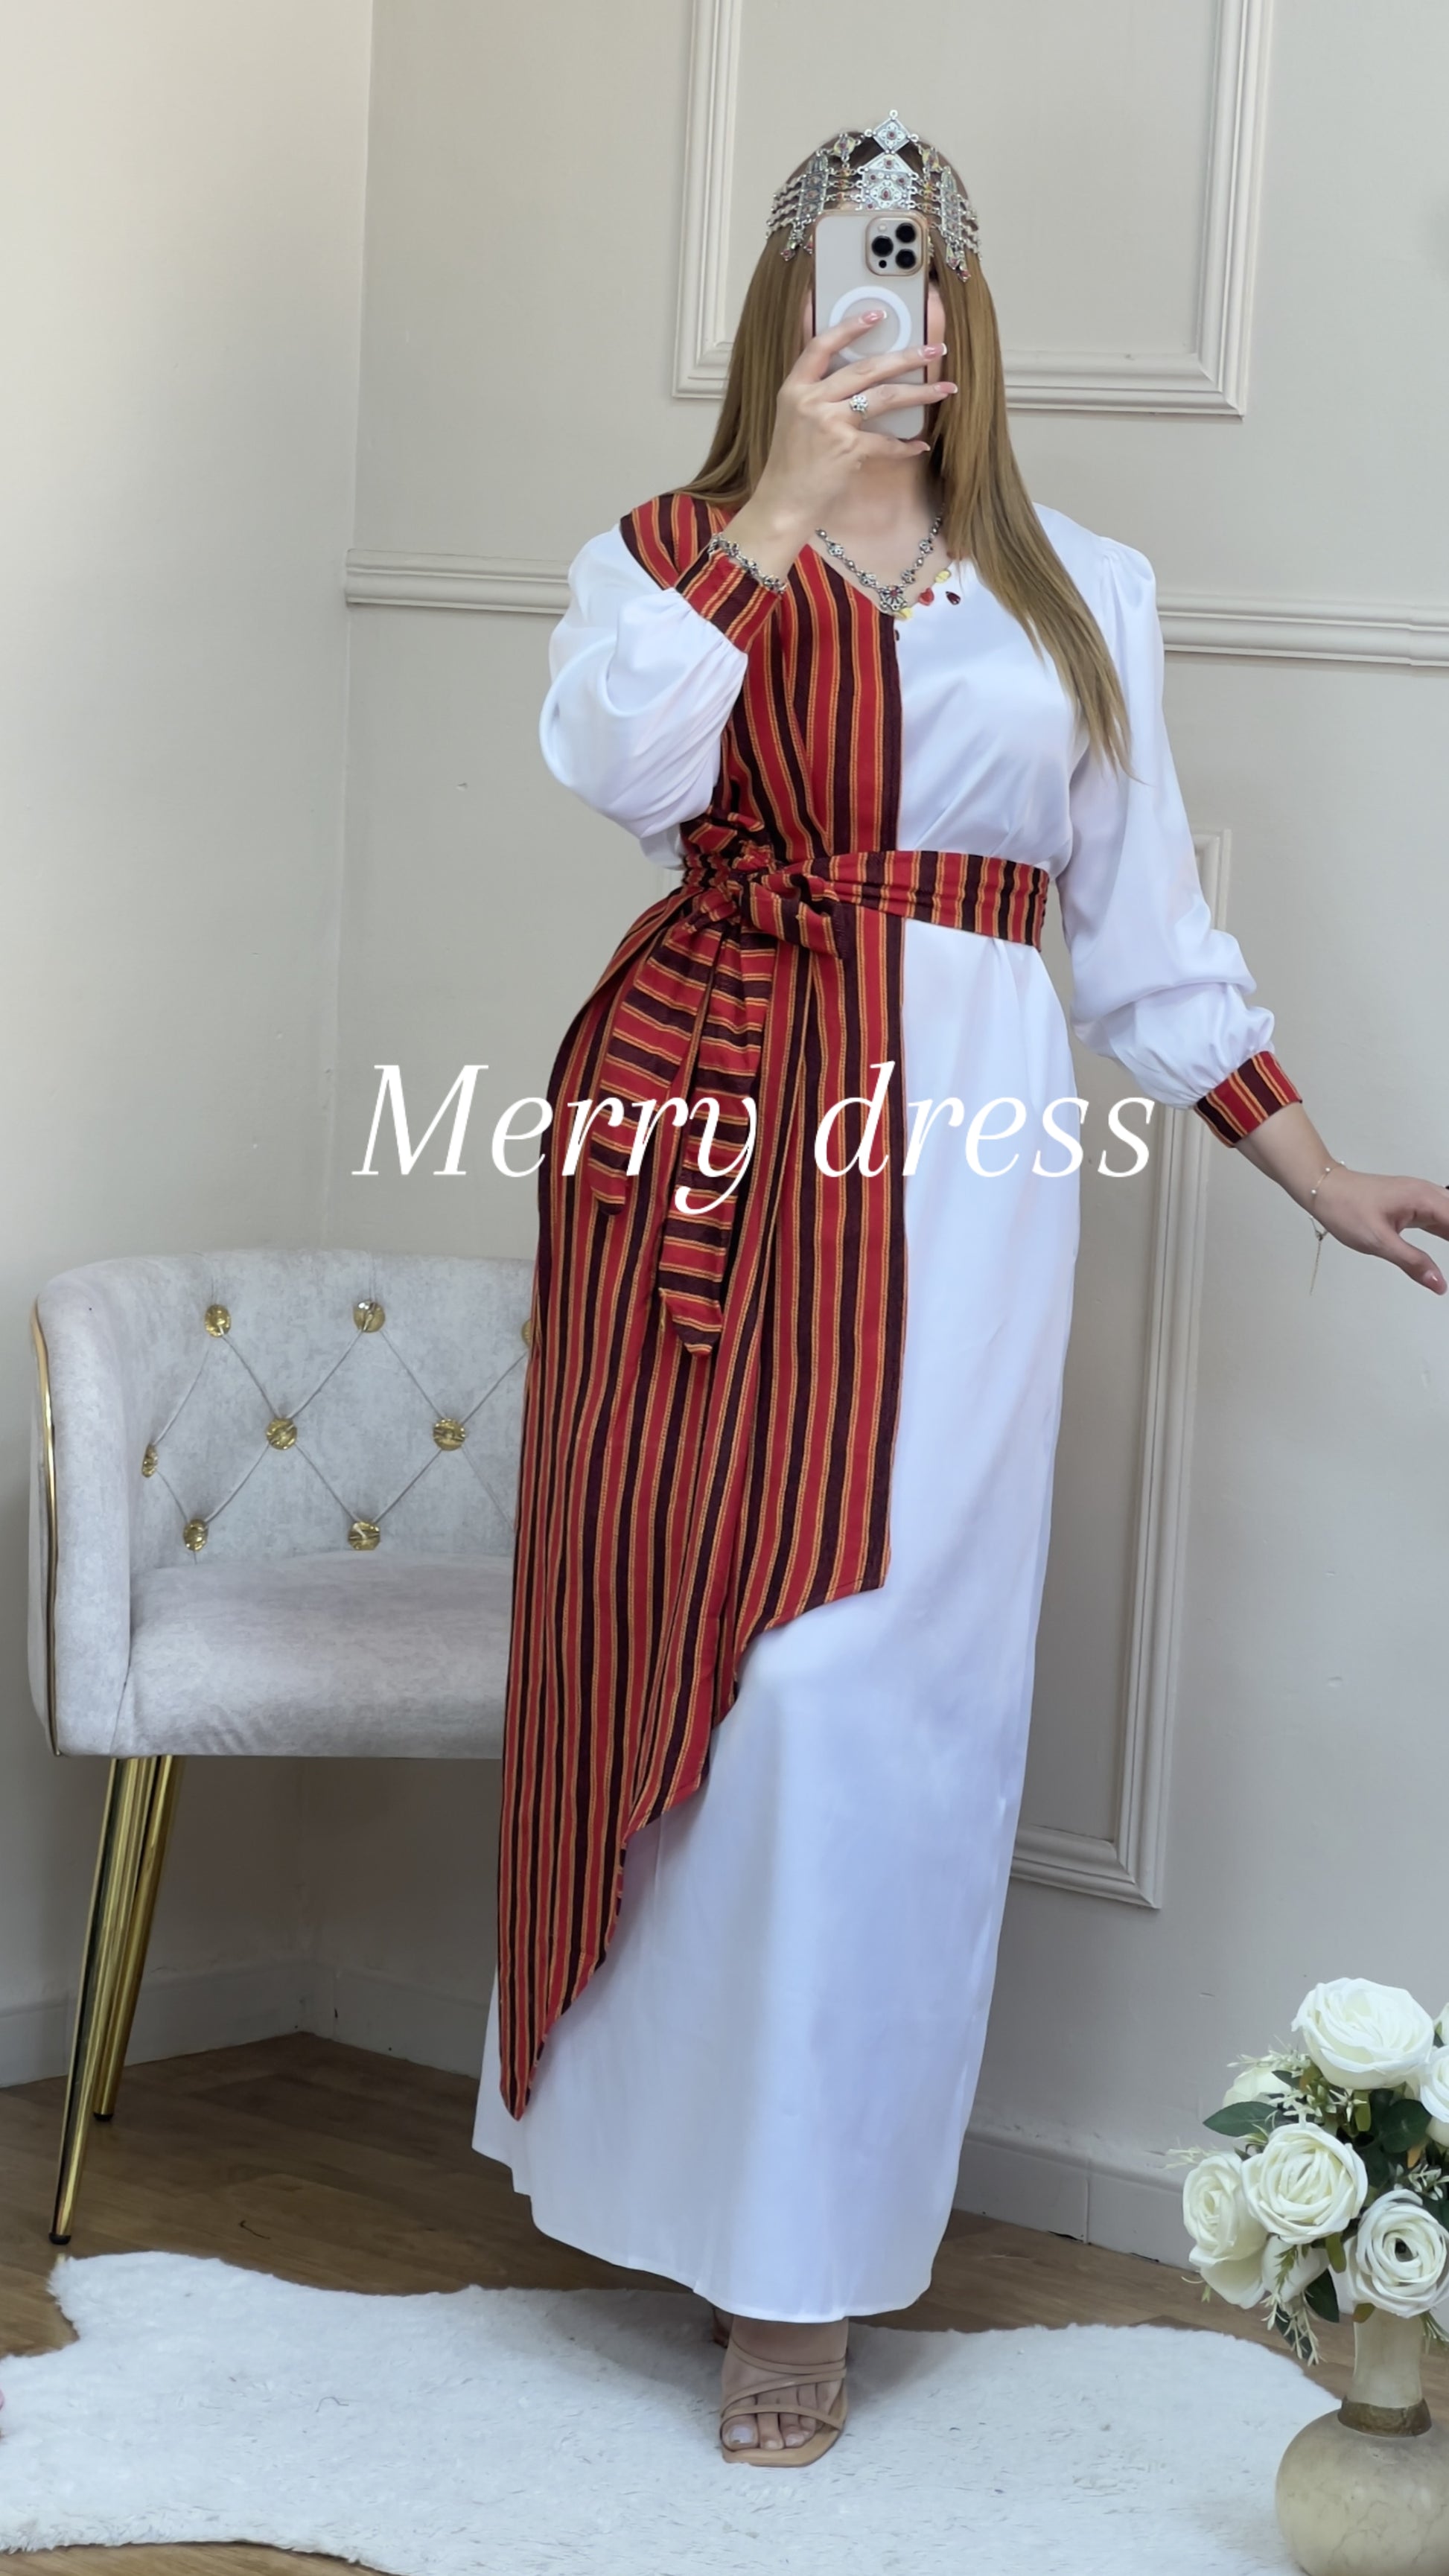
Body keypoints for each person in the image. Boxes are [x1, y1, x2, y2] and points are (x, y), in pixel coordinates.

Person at [472, 118, 1449, 2465]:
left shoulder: (1080, 585)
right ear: (786, 310)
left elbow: (1142, 935)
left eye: (918, 276)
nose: (886, 318)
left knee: (865, 1700)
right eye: (848, 276)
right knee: (699, 1672)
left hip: (968, 1168)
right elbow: (608, 762)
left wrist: (1308, 1163)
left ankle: (797, 2272)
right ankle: (652, 2193)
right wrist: (775, 519)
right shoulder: (666, 555)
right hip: (698, 1136)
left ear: (965, 308)